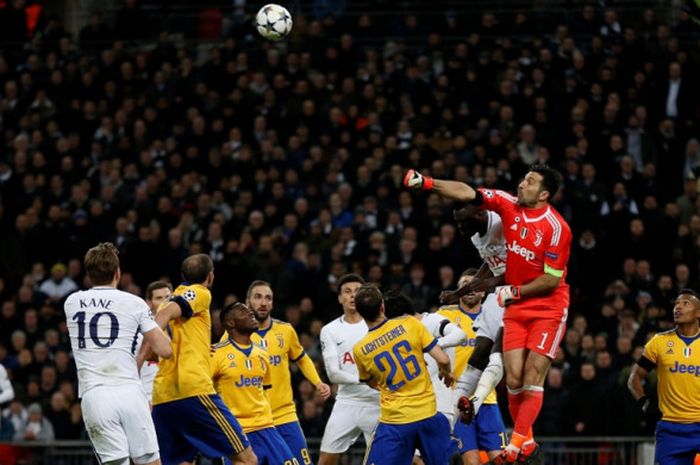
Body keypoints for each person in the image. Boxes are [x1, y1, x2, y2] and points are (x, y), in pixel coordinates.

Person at [405, 164, 572, 463]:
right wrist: (427, 183)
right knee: (514, 378)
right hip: (511, 299)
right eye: (523, 178)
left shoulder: (549, 227)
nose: (521, 184)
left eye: (530, 181)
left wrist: (504, 290)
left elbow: (542, 277)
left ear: (544, 193)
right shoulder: (501, 211)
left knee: (505, 361)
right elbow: (467, 191)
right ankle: (521, 435)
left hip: (536, 300)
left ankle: (505, 432)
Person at [64, 242, 173, 465]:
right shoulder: (134, 303)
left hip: (95, 396)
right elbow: (165, 349)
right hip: (130, 392)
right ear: (118, 273)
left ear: (88, 274)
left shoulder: (72, 302)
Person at [150, 254, 256, 465]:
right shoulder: (201, 292)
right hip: (193, 391)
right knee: (246, 459)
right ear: (210, 276)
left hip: (163, 398)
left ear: (182, 275)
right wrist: (156, 329)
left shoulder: (162, 304)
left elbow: (162, 346)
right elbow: (167, 316)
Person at [221, 281, 331, 465]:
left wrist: (317, 382)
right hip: (248, 422)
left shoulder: (285, 331)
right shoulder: (231, 337)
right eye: (258, 297)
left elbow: (302, 358)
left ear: (272, 304)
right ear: (247, 302)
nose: (263, 302)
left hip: (284, 415)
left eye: (268, 298)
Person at [352, 283, 454, 465]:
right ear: (382, 306)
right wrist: (446, 373)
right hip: (429, 415)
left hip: (395, 422)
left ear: (359, 314)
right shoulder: (410, 324)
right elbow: (444, 359)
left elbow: (371, 383)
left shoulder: (360, 350)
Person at [440, 206, 508, 423]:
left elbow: (514, 270)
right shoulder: (477, 237)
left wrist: (482, 286)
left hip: (521, 293)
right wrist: (458, 294)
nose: (460, 229)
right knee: (480, 353)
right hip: (498, 294)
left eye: (463, 223)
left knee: (498, 348)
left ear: (480, 215)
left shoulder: (504, 225)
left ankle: (475, 402)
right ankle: (457, 412)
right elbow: (490, 265)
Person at [212, 302, 298, 465]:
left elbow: (264, 391)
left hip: (267, 428)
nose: (251, 312)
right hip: (237, 433)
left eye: (249, 310)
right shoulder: (216, 354)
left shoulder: (261, 353)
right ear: (230, 323)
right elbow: (203, 391)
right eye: (243, 311)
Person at [437, 269, 508, 464]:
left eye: (474, 285)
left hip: (488, 399)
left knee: (501, 459)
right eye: (463, 285)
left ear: (484, 292)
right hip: (457, 399)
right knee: (471, 461)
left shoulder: (494, 316)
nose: (469, 289)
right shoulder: (444, 317)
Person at [628, 288, 700, 465]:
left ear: (698, 313)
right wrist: (644, 403)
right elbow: (634, 378)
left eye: (685, 303)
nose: (678, 307)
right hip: (670, 429)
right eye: (676, 303)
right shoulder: (658, 342)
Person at [317, 274, 380, 465]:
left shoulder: (379, 325)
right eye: (347, 291)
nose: (353, 296)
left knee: (385, 459)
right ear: (339, 298)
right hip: (347, 401)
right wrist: (363, 380)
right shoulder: (330, 330)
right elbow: (332, 373)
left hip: (378, 401)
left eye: (357, 291)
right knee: (326, 459)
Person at [139, 281, 173, 405]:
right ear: (149, 303)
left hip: (176, 397)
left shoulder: (182, 330)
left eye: (168, 297)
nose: (165, 302)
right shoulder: (139, 333)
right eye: (159, 298)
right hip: (148, 399)